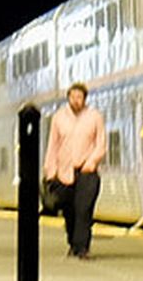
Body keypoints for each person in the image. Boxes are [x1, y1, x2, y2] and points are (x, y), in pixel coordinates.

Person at [44, 82, 107, 258]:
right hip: (64, 172)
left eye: (79, 97)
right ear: (68, 98)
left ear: (85, 99)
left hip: (86, 171)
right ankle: (73, 242)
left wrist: (92, 161)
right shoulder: (59, 118)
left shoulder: (95, 117)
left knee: (84, 210)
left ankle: (83, 248)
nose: (76, 101)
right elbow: (53, 145)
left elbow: (101, 143)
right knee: (69, 211)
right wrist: (50, 171)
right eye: (73, 97)